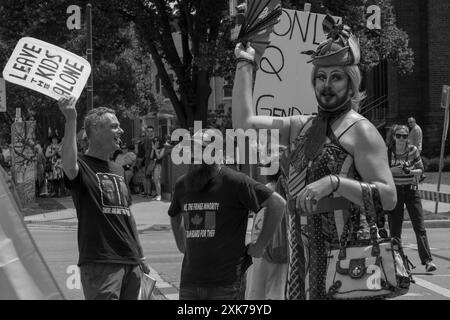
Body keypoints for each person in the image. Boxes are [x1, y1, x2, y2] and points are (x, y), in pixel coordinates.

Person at [232, 18, 396, 300]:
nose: (327, 85)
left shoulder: (362, 131)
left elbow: (389, 196)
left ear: (351, 82)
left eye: (336, 76)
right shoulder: (302, 126)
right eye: (321, 77)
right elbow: (245, 124)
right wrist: (245, 63)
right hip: (302, 263)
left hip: (348, 263)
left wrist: (334, 183)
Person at [168, 130, 286, 300]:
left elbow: (277, 203)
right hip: (190, 282)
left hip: (226, 284)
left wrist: (260, 245)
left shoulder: (235, 182)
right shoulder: (183, 184)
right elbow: (174, 214)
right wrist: (181, 243)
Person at [59, 96, 149, 300]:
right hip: (101, 261)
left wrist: (140, 255)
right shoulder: (81, 165)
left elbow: (127, 214)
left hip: (130, 260)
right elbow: (68, 165)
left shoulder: (118, 169)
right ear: (95, 129)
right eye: (114, 126)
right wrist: (71, 120)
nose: (121, 131)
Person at [386, 124, 436, 272]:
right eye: (399, 136)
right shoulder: (388, 152)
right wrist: (392, 170)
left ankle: (428, 261)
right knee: (395, 228)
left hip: (411, 190)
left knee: (419, 226)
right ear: (394, 137)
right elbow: (381, 171)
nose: (402, 139)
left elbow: (421, 170)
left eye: (405, 136)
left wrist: (411, 170)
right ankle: (397, 262)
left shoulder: (412, 150)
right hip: (395, 191)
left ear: (408, 137)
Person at [245, 166, 288, 300]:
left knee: (257, 292)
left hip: (261, 251)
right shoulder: (288, 192)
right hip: (283, 249)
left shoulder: (264, 191)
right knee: (277, 291)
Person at [150, 136, 166, 201]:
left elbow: (159, 157)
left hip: (159, 165)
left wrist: (156, 149)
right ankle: (157, 194)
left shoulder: (163, 148)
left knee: (157, 180)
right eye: (154, 141)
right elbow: (151, 156)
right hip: (153, 165)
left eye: (157, 140)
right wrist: (153, 149)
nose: (156, 142)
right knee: (154, 181)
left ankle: (159, 195)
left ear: (160, 141)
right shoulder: (154, 148)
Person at [143, 126, 155, 197]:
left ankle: (151, 192)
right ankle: (147, 192)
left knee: (152, 177)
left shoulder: (155, 140)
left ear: (153, 132)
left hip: (153, 160)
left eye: (151, 131)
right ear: (146, 132)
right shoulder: (146, 140)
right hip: (147, 160)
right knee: (147, 176)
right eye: (148, 131)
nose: (149, 133)